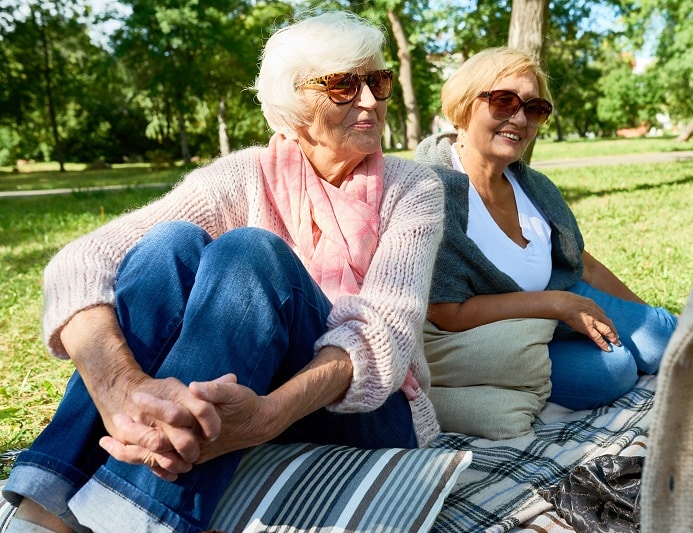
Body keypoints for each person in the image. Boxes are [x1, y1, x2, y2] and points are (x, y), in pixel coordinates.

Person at [3, 11, 444, 533]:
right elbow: (81, 261)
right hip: (231, 398)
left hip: (365, 411)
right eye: (344, 86)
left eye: (379, 80)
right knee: (167, 245)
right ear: (293, 104)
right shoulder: (242, 176)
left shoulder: (415, 189)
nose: (371, 100)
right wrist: (120, 389)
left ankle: (135, 516)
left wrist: (269, 415)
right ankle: (41, 511)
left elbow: (382, 339)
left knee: (252, 252)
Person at [415, 47, 677, 412]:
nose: (520, 120)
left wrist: (641, 317)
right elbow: (447, 313)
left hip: (564, 299)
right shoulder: (431, 192)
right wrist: (554, 304)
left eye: (534, 109)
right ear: (463, 107)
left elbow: (585, 266)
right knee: (612, 372)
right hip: (500, 335)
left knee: (665, 339)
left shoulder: (533, 185)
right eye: (504, 101)